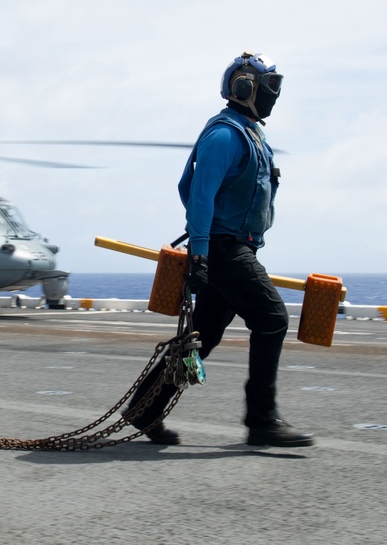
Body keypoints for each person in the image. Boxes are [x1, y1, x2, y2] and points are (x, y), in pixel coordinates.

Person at [125, 52, 314, 447]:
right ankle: (262, 420)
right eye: (269, 87)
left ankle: (145, 407)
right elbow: (199, 196)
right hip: (224, 250)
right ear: (245, 88)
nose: (274, 96)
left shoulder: (249, 133)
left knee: (203, 335)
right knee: (272, 319)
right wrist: (200, 255)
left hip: (231, 248)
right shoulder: (225, 135)